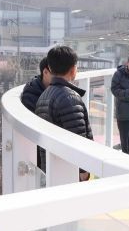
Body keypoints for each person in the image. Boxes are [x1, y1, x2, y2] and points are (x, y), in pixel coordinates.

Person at [34, 46, 93, 182]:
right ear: (73, 69)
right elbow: (78, 138)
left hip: (51, 170)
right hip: (69, 172)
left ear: (50, 67)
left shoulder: (44, 95)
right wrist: (84, 170)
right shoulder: (69, 97)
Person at [21, 57, 52, 172]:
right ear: (45, 72)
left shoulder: (52, 90)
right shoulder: (32, 94)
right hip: (38, 153)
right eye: (57, 73)